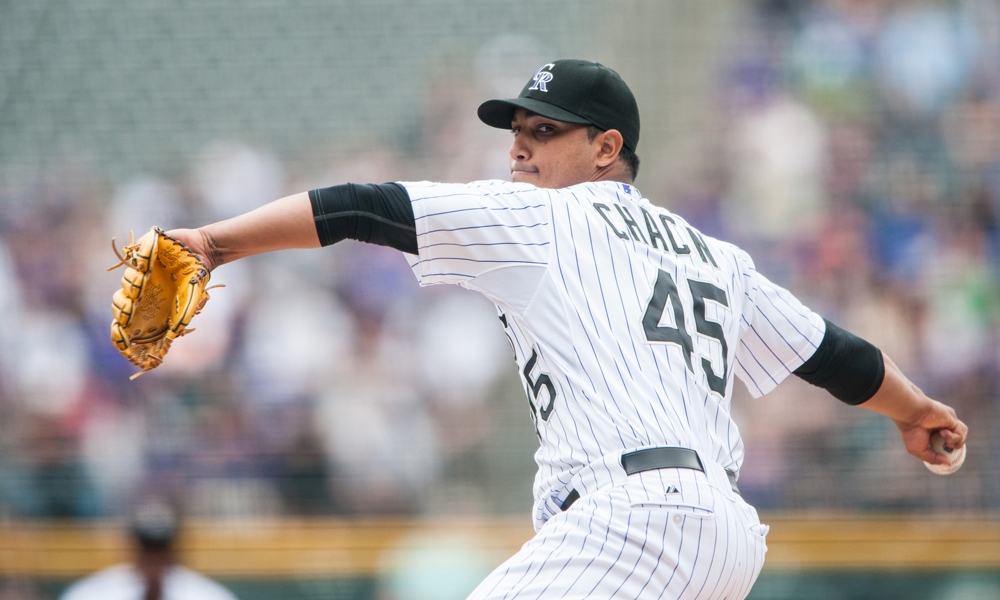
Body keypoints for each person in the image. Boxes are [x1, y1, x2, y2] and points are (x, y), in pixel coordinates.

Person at [161, 59, 966, 599]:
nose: (518, 147)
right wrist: (914, 410)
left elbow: (364, 207)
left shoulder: (546, 218)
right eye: (516, 130)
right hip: (722, 539)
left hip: (635, 518)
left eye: (544, 131)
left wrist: (214, 242)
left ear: (606, 148)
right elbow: (837, 355)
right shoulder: (717, 258)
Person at [59, 497, 238, 600]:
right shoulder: (92, 594)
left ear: (176, 553)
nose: (154, 562)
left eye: (161, 552)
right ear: (131, 549)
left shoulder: (208, 595)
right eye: (147, 552)